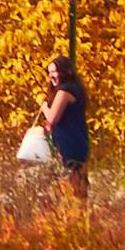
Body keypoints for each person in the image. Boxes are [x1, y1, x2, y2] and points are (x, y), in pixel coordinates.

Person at [30, 52, 92, 199]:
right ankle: (81, 215)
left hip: (69, 144)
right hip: (78, 140)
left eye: (55, 72)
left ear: (65, 72)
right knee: (79, 182)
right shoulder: (77, 89)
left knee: (71, 181)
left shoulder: (64, 91)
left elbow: (52, 117)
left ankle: (74, 214)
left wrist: (44, 105)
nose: (52, 76)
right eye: (49, 72)